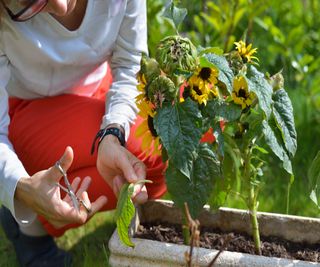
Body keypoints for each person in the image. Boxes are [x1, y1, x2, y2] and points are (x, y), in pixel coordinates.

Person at [0, 0, 166, 266]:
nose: (60, 7)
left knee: (181, 131)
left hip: (98, 89)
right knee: (145, 151)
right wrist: (20, 187)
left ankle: (19, 204)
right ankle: (31, 231)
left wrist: (112, 133)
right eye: (31, 2)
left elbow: (128, 65)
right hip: (28, 108)